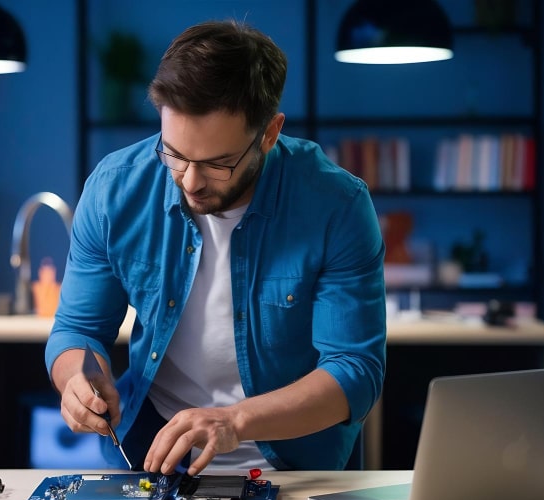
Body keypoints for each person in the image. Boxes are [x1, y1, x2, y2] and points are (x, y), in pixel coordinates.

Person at [45, 20, 386, 476]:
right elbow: (77, 328)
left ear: (269, 132)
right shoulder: (114, 189)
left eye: (218, 163)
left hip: (296, 468)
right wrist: (76, 382)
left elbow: (355, 371)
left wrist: (235, 421)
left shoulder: (336, 204)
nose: (189, 180)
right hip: (150, 456)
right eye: (174, 154)